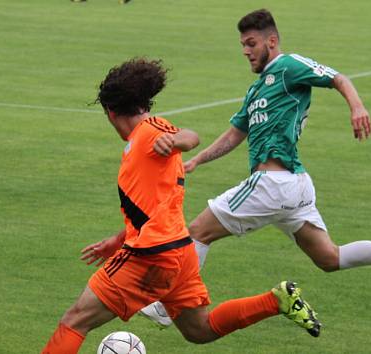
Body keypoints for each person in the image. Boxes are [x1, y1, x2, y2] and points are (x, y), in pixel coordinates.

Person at [139, 9, 371, 328]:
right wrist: (197, 160)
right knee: (329, 258)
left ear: (271, 41)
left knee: (198, 232)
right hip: (294, 186)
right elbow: (236, 133)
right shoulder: (256, 89)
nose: (246, 51)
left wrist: (357, 106)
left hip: (272, 183)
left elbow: (337, 78)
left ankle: (168, 307)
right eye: (242, 45)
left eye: (251, 43)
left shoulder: (289, 67)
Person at [41, 58, 321, 354]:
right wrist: (117, 240)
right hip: (180, 252)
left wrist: (175, 140)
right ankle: (276, 300)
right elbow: (153, 211)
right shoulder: (141, 141)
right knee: (199, 330)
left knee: (75, 320)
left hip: (150, 257)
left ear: (111, 112)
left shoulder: (149, 130)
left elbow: (191, 137)